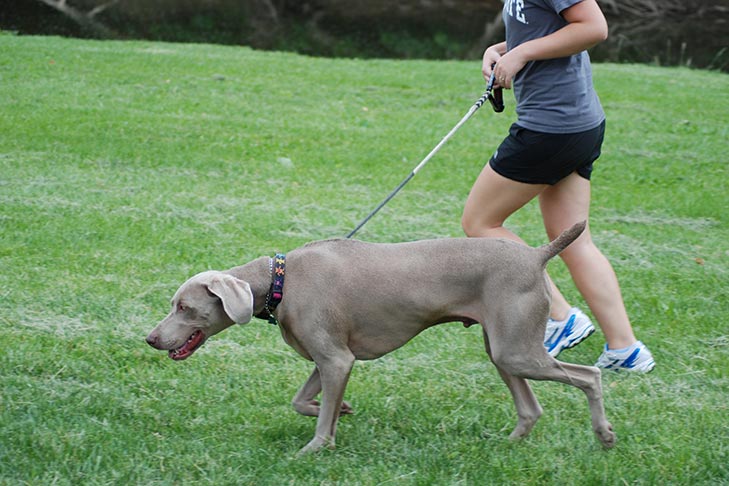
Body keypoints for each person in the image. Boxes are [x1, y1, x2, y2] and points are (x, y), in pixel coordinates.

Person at [461, 0, 654, 372]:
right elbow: (541, 27)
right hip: (575, 124)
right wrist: (500, 50)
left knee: (480, 222)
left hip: (550, 128)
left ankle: (560, 317)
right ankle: (626, 351)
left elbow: (593, 27)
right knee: (573, 237)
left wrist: (523, 54)